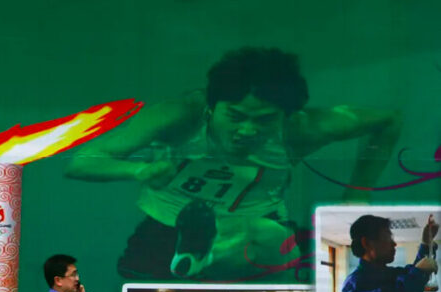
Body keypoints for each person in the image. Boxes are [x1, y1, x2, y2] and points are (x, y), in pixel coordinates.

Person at [65, 47, 402, 280]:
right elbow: (80, 163)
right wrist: (138, 170)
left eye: (264, 121)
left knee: (264, 239)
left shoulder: (302, 128)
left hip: (253, 223)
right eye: (236, 117)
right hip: (170, 221)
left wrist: (357, 194)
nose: (247, 131)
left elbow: (388, 121)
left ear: (286, 116)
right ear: (212, 108)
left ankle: (216, 253)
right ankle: (201, 250)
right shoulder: (180, 115)